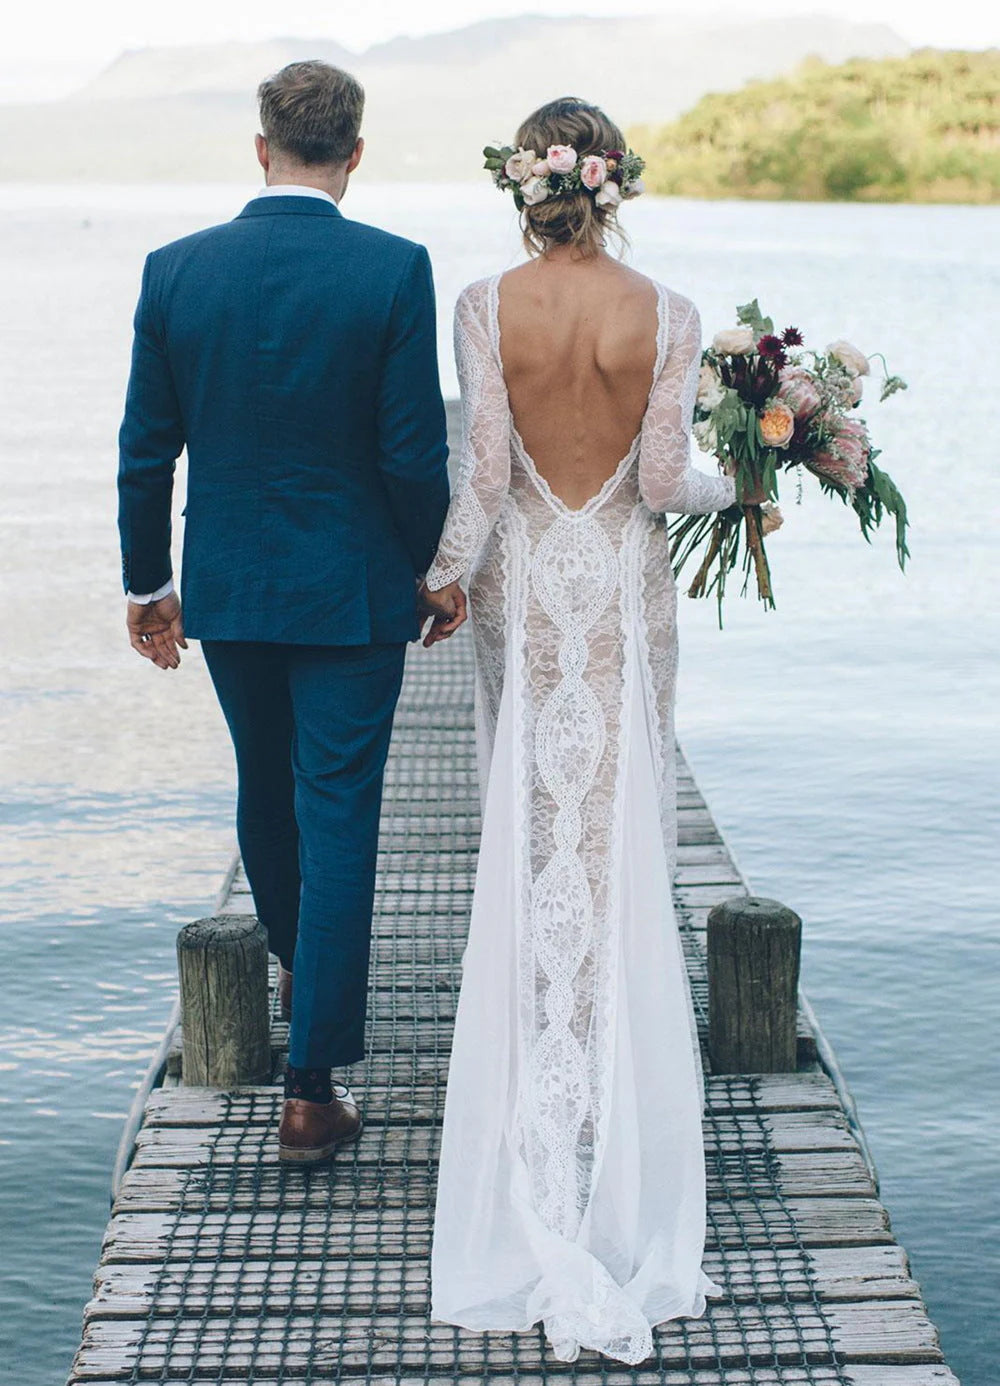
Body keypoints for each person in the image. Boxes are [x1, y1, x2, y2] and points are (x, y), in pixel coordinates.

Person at [420, 97, 764, 1364]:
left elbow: (483, 482)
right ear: (615, 183)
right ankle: (618, 1159)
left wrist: (443, 577)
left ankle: (532, 1133)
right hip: (618, 592)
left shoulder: (482, 304)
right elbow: (668, 481)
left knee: (530, 839)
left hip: (525, 586)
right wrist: (759, 485)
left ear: (525, 184)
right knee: (613, 850)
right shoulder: (665, 314)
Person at [117, 60, 457, 1163]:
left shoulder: (176, 271)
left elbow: (144, 451)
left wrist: (148, 585)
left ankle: (297, 967)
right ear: (354, 156)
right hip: (354, 594)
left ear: (260, 147)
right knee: (339, 812)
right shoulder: (393, 270)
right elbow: (414, 455)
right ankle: (310, 1087)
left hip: (230, 587)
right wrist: (429, 568)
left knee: (266, 790)